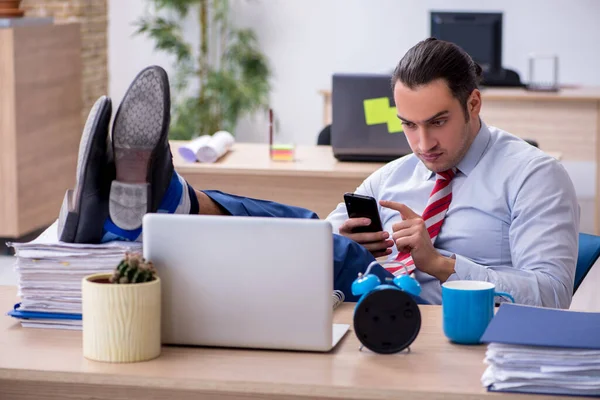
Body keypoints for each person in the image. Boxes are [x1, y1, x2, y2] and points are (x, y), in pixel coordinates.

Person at [58, 38, 579, 308]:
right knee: (311, 234)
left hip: (438, 325)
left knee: (318, 244)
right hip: (356, 308)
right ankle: (149, 207)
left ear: (474, 103)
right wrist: (344, 232)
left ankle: (158, 200)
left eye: (438, 123)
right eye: (408, 126)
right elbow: (311, 243)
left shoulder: (534, 177)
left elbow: (552, 295)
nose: (423, 144)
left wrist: (441, 263)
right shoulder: (394, 177)